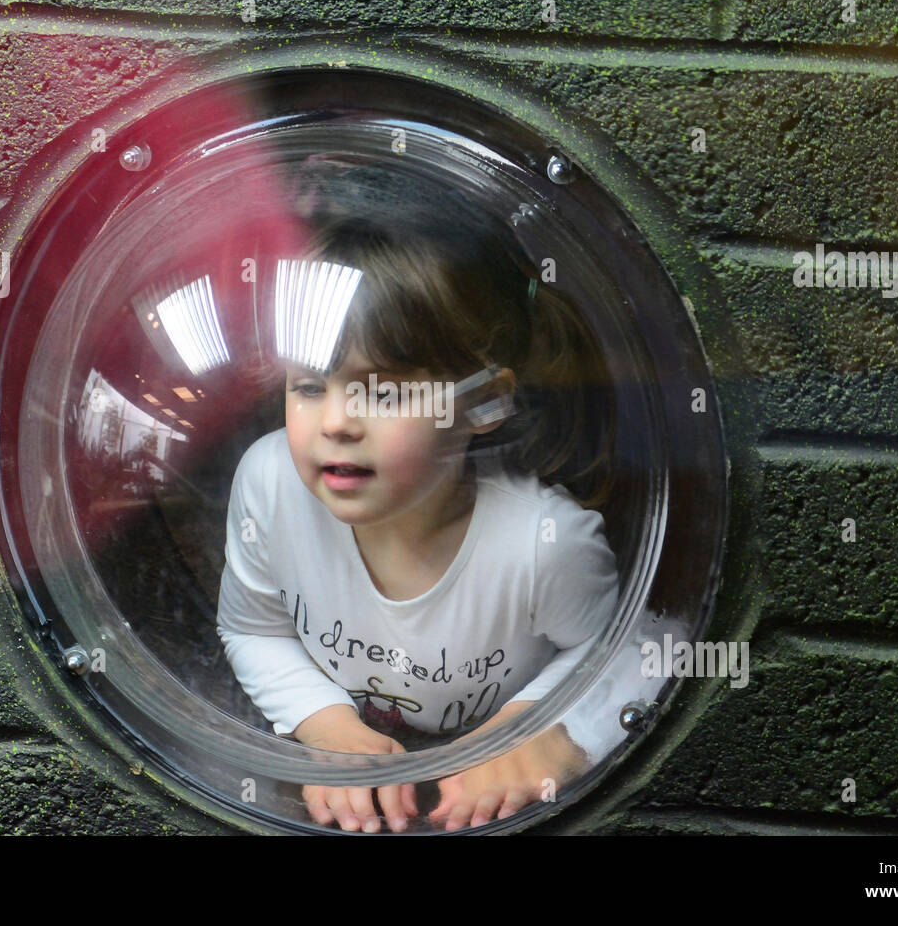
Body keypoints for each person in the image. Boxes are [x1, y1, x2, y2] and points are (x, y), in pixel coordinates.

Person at [217, 182, 621, 832]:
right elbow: (252, 628)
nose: (337, 423)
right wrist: (327, 727)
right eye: (311, 385)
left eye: (381, 393)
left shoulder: (544, 542)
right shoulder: (269, 483)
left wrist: (540, 729)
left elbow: (627, 649)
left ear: (485, 403)